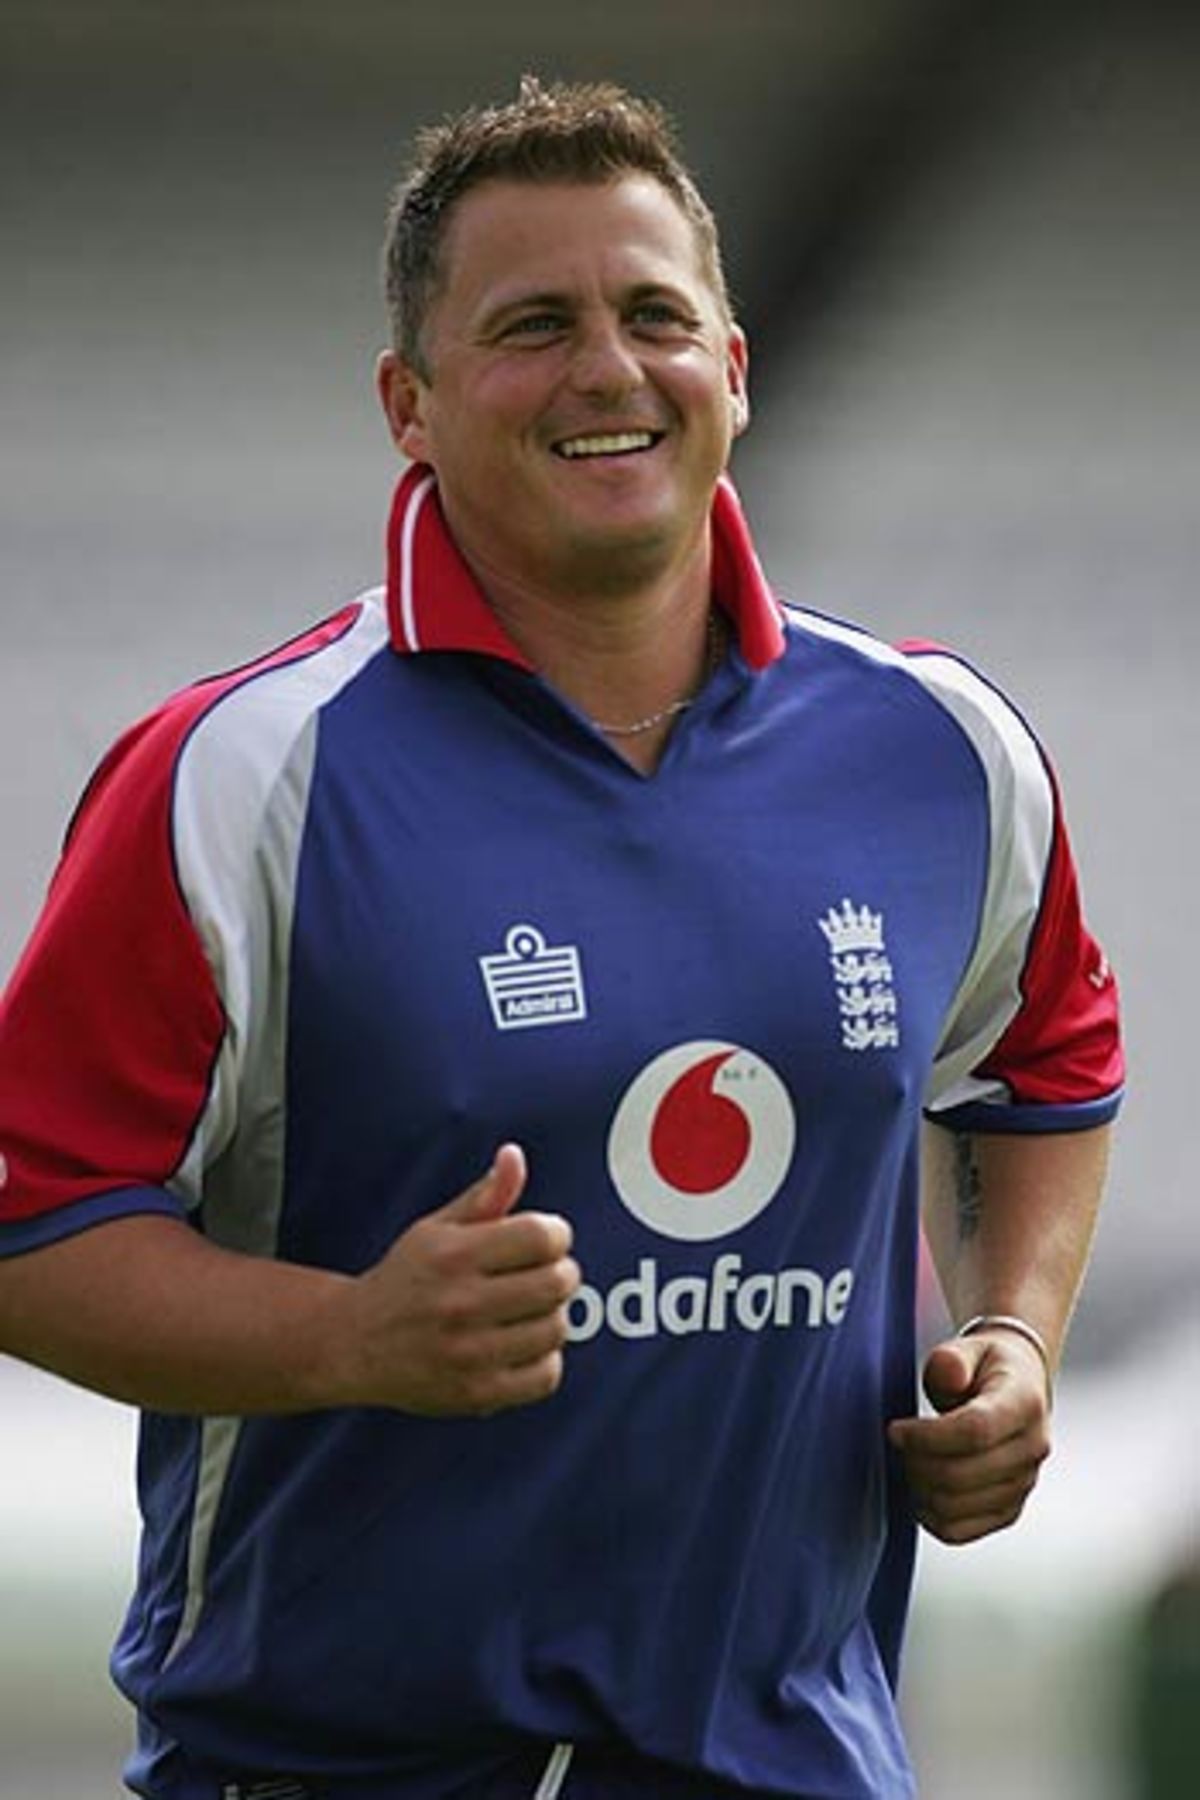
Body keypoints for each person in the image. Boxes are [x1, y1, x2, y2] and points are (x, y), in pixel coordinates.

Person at [0, 76, 1123, 1800]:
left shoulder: (941, 749)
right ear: (410, 403)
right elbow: (27, 1224)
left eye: (654, 315)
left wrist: (1018, 1344)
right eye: (533, 326)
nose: (608, 370)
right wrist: (347, 1338)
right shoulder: (241, 776)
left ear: (733, 370)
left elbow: (1043, 1063)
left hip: (803, 1764)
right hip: (336, 1771)